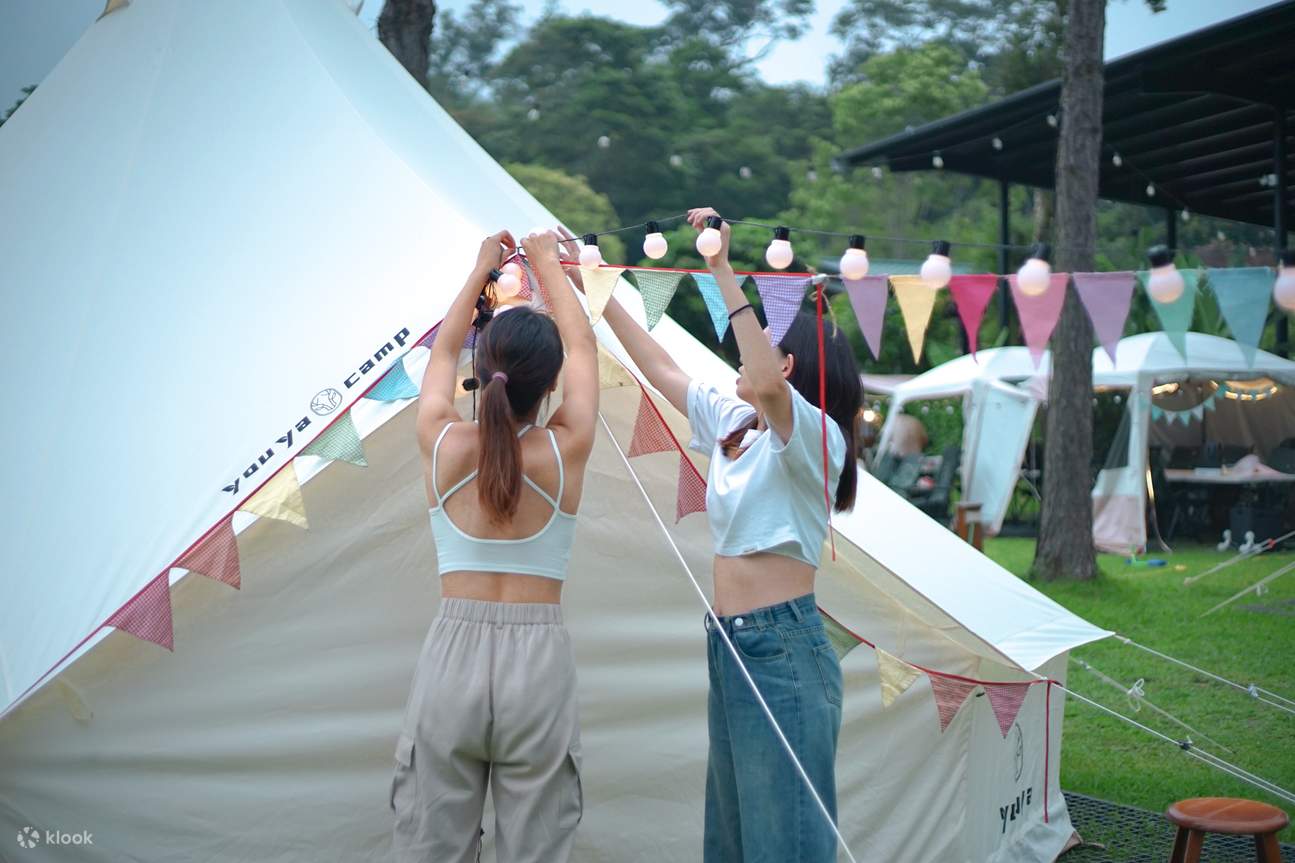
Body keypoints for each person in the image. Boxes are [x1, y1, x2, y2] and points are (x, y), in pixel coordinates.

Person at [559, 208, 862, 862]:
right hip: (733, 644)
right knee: (731, 838)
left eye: (758, 349)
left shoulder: (814, 437)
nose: (737, 355)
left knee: (784, 842)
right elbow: (659, 368)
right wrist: (596, 291)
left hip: (782, 645)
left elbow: (773, 392)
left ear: (784, 366)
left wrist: (721, 267)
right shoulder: (735, 421)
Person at [390, 229, 598, 863]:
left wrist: (482, 268)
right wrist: (547, 265)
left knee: (432, 843)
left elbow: (442, 352)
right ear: (549, 381)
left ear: (482, 376)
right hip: (538, 665)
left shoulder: (442, 442)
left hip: (451, 658)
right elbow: (584, 344)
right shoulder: (566, 449)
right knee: (538, 846)